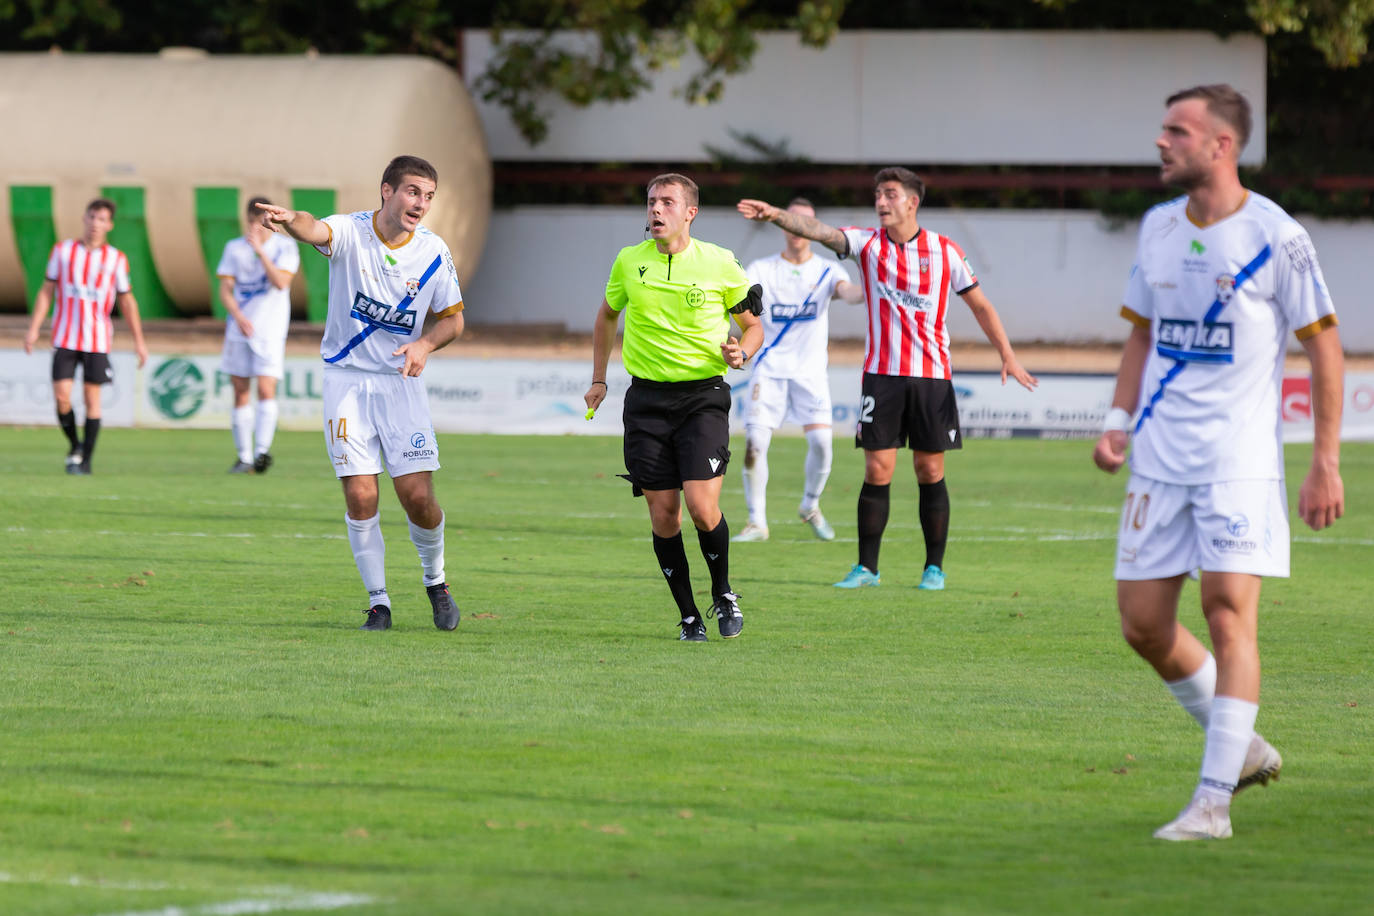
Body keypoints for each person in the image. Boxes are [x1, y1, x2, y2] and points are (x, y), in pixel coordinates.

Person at [1092, 84, 1344, 841]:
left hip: (1238, 463)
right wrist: (1116, 420)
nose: (1162, 142)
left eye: (1177, 130)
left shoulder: (1277, 236)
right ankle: (1245, 747)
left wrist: (1325, 460)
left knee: (1228, 613)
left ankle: (1212, 805)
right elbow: (1142, 335)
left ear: (1221, 146)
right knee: (1142, 624)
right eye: (1163, 127)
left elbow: (1323, 347)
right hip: (1158, 463)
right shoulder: (1159, 228)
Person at [738, 169, 1037, 590]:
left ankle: (934, 568)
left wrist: (1008, 356)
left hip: (932, 378)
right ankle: (867, 569)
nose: (881, 201)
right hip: (882, 377)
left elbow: (981, 306)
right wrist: (776, 216)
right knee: (877, 469)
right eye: (878, 194)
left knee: (929, 469)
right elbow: (819, 231)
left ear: (912, 202)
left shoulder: (945, 250)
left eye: (890, 194)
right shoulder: (866, 244)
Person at [257, 155, 464, 632]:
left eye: (429, 195)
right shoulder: (351, 230)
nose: (421, 203)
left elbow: (453, 319)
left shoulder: (433, 251)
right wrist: (292, 222)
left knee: (417, 496)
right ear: (387, 191)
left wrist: (425, 344)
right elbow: (315, 229)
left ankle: (437, 582)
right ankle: (379, 602)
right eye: (413, 191)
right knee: (361, 495)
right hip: (346, 381)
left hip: (400, 384)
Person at [585, 172, 763, 641]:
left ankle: (723, 592)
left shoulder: (720, 262)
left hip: (702, 397)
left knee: (703, 509)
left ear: (690, 213)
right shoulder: (629, 261)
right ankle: (688, 617)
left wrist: (742, 352)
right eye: (651, 202)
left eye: (667, 202)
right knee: (664, 515)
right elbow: (606, 315)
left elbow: (754, 325)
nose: (656, 210)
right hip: (645, 401)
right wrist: (600, 378)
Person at [731, 197, 863, 544]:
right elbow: (737, 296)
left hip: (810, 374)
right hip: (768, 370)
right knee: (755, 444)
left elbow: (846, 291)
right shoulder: (761, 268)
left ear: (814, 228)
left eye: (803, 222)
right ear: (782, 226)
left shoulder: (828, 270)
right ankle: (757, 522)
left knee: (822, 443)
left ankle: (810, 505)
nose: (796, 228)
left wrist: (866, 292)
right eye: (789, 221)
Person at [23, 197, 149, 475]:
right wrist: (34, 328)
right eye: (92, 217)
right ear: (84, 218)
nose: (95, 224)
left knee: (92, 399)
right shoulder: (63, 251)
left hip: (97, 339)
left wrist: (139, 342)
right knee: (62, 397)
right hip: (65, 337)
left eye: (102, 219)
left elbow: (127, 302)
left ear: (109, 225)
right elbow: (46, 291)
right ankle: (75, 446)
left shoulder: (116, 259)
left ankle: (86, 461)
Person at [217, 195, 300, 474]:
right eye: (253, 223)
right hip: (240, 329)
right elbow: (225, 290)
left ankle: (263, 452)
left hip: (270, 330)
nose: (257, 228)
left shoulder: (285, 247)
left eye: (262, 223)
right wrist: (238, 316)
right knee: (240, 390)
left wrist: (261, 253)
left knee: (266, 389)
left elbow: (280, 283)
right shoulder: (234, 248)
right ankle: (244, 456)